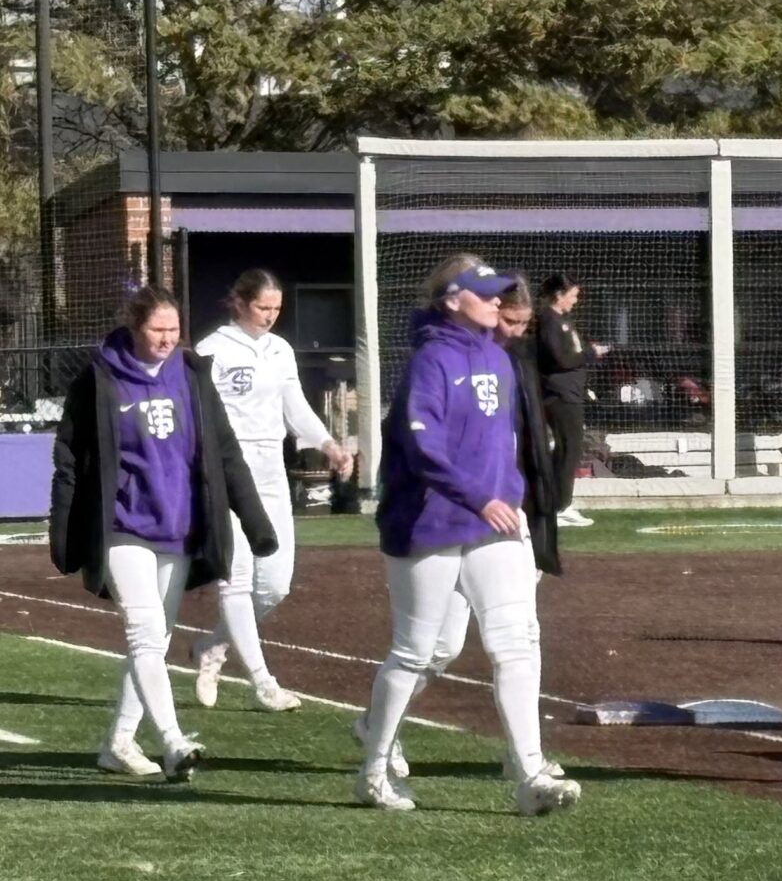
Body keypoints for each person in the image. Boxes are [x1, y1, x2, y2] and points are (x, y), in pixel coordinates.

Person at [357, 255, 576, 814]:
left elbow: (501, 445)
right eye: (487, 294)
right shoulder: (431, 359)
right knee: (415, 652)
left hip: (495, 525)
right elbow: (421, 447)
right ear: (453, 300)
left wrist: (512, 499)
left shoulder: (498, 360)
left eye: (500, 294)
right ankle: (374, 769)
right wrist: (479, 496)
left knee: (516, 643)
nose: (498, 301)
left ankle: (530, 774)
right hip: (428, 523)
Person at [50, 286, 277, 781]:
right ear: (134, 327)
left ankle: (118, 743)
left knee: (153, 640)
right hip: (122, 527)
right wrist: (64, 530)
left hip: (178, 527)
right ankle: (174, 742)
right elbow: (70, 456)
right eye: (157, 329)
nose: (167, 339)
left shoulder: (193, 376)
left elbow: (224, 449)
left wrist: (255, 521)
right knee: (145, 631)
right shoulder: (99, 379)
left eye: (174, 330)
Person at [187, 268, 353, 711]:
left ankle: (214, 647)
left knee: (275, 584)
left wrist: (328, 444)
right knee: (236, 579)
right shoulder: (212, 351)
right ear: (239, 303)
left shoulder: (280, 350)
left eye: (276, 308)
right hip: (228, 470)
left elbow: (294, 405)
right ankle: (263, 683)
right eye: (263, 307)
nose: (270, 316)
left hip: (270, 469)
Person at [535, 274, 595, 527]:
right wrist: (590, 353)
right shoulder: (548, 321)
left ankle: (561, 503)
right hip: (559, 395)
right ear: (559, 295)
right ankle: (559, 507)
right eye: (572, 295)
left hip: (570, 393)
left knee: (569, 449)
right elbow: (562, 359)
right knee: (567, 449)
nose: (575, 300)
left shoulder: (562, 321)